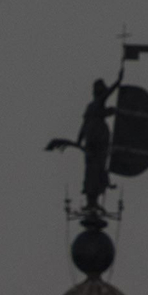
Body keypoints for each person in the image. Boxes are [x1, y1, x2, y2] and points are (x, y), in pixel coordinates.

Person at [46, 67, 124, 210]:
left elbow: (84, 125)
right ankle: (92, 199)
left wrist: (78, 140)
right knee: (95, 168)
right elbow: (86, 123)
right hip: (96, 139)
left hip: (95, 139)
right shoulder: (96, 104)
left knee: (94, 168)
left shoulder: (91, 107)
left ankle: (92, 198)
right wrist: (117, 82)